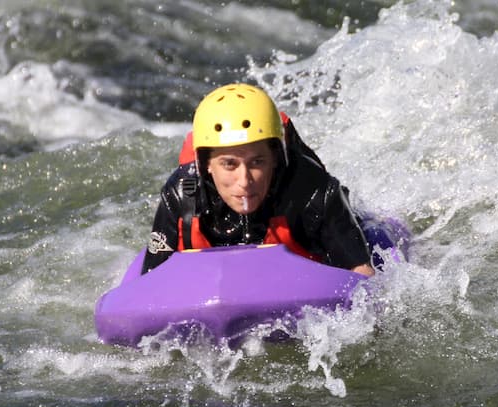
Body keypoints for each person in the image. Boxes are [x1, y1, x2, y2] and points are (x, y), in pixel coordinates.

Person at [141, 83, 375, 276]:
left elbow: (362, 275)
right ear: (206, 165)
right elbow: (148, 285)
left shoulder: (313, 193)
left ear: (274, 158)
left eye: (257, 162)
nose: (244, 180)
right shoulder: (181, 196)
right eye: (229, 164)